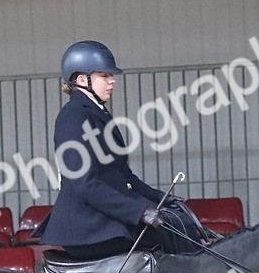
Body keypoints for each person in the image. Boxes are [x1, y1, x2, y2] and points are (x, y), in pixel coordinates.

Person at [35, 40, 199, 260]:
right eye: (104, 76)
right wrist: (139, 212)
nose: (112, 81)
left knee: (180, 222)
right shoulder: (73, 117)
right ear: (82, 80)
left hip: (103, 218)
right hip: (87, 227)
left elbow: (124, 177)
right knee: (170, 234)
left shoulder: (97, 112)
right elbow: (85, 184)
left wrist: (162, 198)